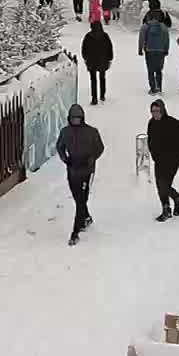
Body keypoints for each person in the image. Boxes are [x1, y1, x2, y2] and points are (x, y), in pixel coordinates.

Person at [56, 103, 104, 244]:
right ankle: (86, 217)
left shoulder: (91, 132)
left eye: (78, 118)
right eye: (73, 118)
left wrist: (91, 158)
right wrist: (66, 159)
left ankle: (75, 231)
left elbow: (100, 147)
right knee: (78, 198)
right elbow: (60, 147)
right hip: (72, 169)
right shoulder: (65, 132)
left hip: (87, 170)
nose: (75, 120)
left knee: (81, 199)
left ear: (82, 118)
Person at [145, 99, 179, 221]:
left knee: (164, 184)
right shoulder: (151, 123)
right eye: (153, 111)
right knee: (160, 185)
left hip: (172, 160)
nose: (155, 114)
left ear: (163, 110)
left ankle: (177, 200)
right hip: (159, 159)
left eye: (157, 111)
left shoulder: (173, 123)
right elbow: (150, 140)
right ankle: (170, 205)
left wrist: (176, 153)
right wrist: (153, 153)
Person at [138, 3, 171, 94]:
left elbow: (141, 38)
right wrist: (166, 49)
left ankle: (153, 88)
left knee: (150, 70)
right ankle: (159, 87)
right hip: (160, 51)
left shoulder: (146, 26)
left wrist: (140, 49)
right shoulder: (163, 27)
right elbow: (166, 39)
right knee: (159, 70)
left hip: (149, 50)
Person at [81, 19, 113, 104]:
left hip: (92, 61)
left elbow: (84, 49)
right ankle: (102, 95)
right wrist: (110, 58)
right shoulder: (105, 36)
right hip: (103, 60)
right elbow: (110, 48)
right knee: (102, 78)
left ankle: (94, 98)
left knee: (93, 79)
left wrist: (86, 59)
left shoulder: (88, 36)